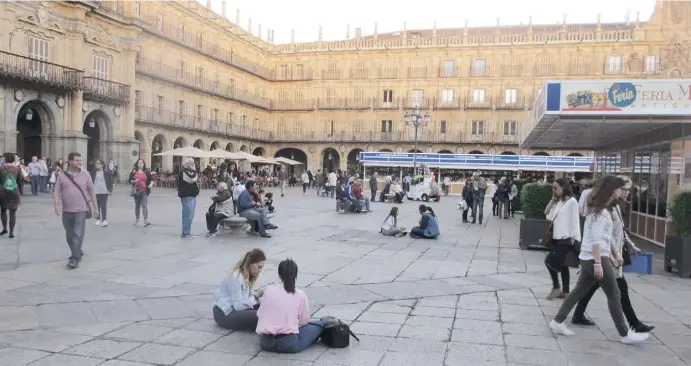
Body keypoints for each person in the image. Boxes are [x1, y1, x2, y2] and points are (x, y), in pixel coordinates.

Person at [549, 176, 649, 344]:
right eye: (619, 188)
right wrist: (599, 262)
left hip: (591, 256)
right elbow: (596, 239)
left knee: (579, 291)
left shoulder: (600, 209)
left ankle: (557, 321)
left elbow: (603, 238)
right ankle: (625, 334)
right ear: (611, 190)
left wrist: (613, 255)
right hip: (595, 257)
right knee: (614, 293)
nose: (621, 192)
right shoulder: (601, 212)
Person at [256, 259, 324, 353]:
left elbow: (260, 314)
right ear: (295, 275)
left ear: (279, 275)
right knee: (319, 325)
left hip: (265, 343)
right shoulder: (300, 294)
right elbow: (304, 321)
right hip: (287, 343)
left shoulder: (268, 290)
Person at [53, 152, 99, 269]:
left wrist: (96, 208)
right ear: (70, 162)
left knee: (78, 234)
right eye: (77, 160)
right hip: (67, 210)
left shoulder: (86, 175)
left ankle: (74, 258)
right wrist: (56, 205)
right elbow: (57, 191)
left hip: (81, 210)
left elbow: (92, 192)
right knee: (69, 235)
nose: (80, 162)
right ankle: (77, 250)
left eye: (81, 160)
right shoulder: (62, 175)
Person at [544, 178, 581, 300]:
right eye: (553, 188)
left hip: (566, 238)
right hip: (556, 237)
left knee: (549, 262)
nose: (554, 190)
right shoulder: (559, 202)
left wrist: (574, 238)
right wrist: (552, 200)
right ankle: (565, 291)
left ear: (563, 187)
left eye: (555, 187)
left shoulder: (572, 202)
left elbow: (575, 221)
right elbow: (547, 214)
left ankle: (556, 287)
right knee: (564, 265)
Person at [213, 249, 266, 330]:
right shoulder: (236, 277)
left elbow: (247, 299)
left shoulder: (248, 275)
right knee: (261, 315)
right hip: (225, 313)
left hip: (237, 309)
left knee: (268, 308)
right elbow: (238, 306)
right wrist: (256, 296)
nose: (260, 271)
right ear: (250, 263)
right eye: (259, 267)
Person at [0, 153, 22, 238]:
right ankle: (11, 233)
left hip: (2, 191)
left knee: (3, 210)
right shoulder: (17, 169)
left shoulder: (1, 169)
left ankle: (4, 228)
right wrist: (19, 193)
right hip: (13, 192)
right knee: (13, 213)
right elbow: (20, 182)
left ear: (5, 159)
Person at [177, 158, 199, 239]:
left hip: (192, 195)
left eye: (193, 162)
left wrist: (194, 171)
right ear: (186, 164)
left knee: (191, 215)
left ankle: (187, 232)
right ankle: (185, 233)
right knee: (187, 215)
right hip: (187, 196)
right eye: (191, 163)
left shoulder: (190, 171)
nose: (193, 164)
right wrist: (194, 171)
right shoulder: (183, 171)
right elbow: (191, 179)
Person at [128, 159, 153, 227]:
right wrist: (135, 181)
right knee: (137, 206)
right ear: (137, 164)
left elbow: (151, 180)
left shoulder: (146, 171)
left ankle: (145, 220)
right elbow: (129, 180)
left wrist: (151, 184)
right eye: (139, 163)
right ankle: (137, 219)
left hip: (145, 191)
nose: (140, 164)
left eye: (141, 163)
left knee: (144, 205)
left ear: (143, 164)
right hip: (136, 191)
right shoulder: (134, 171)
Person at [91, 160, 113, 227]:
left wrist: (110, 190)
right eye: (96, 163)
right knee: (96, 206)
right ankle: (98, 219)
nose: (96, 165)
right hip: (95, 192)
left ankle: (104, 220)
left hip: (104, 192)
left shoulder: (107, 173)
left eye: (98, 163)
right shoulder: (93, 173)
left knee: (103, 206)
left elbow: (110, 182)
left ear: (102, 165)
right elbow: (90, 182)